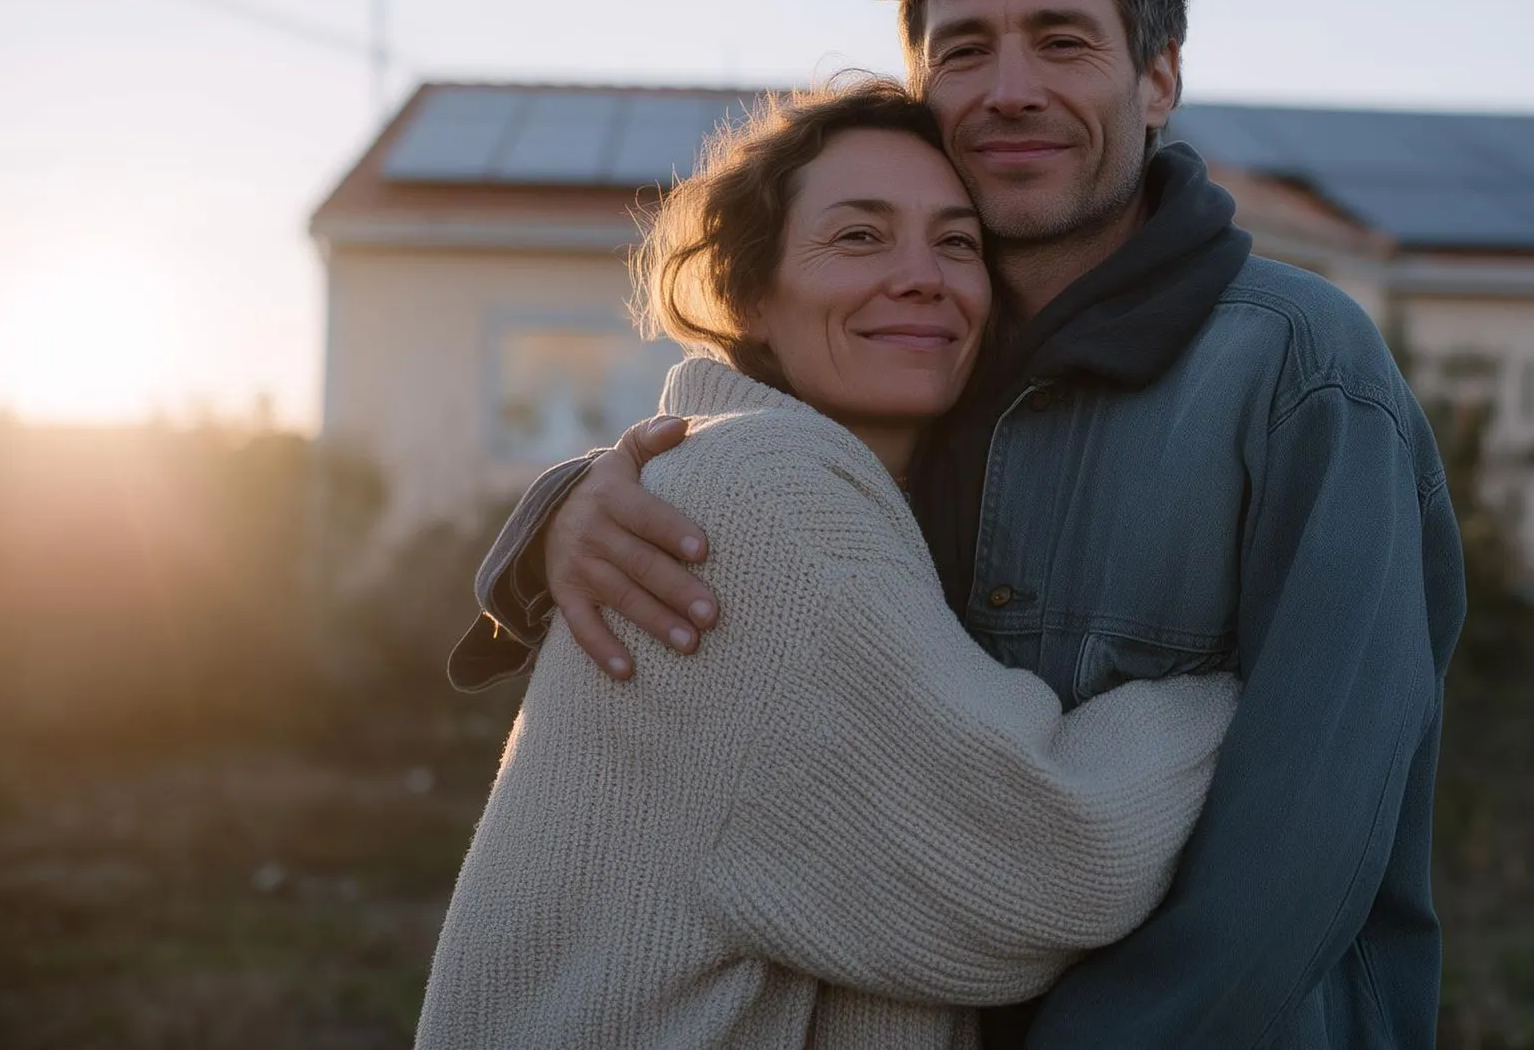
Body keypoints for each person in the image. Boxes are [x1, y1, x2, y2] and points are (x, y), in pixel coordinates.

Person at [454, 0, 1468, 1048]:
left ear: (1157, 77)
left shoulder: (1298, 370)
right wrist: (564, 512)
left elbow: (1306, 840)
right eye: (966, 49)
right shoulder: (916, 360)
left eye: (1060, 41)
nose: (1011, 89)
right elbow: (748, 490)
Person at [416, 81, 1239, 1050]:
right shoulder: (765, 493)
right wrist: (1233, 685)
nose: (922, 275)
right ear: (750, 293)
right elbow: (1046, 861)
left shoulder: (753, 478)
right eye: (858, 236)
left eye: (958, 241)